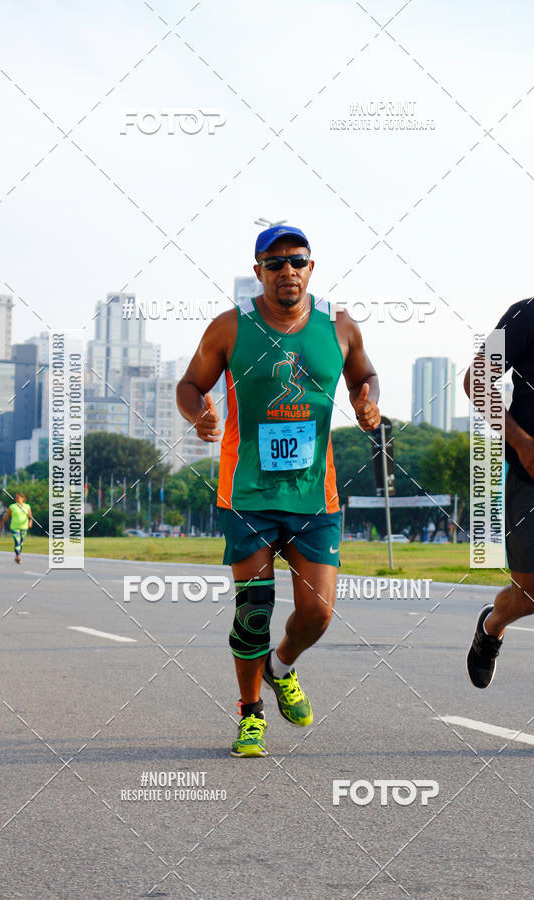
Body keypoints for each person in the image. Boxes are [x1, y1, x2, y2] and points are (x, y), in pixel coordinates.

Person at [176, 225, 380, 757]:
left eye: (297, 261)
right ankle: (250, 714)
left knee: (318, 613)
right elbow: (189, 384)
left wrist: (366, 402)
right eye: (275, 263)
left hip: (316, 495)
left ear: (311, 267)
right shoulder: (230, 328)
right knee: (254, 610)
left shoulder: (339, 326)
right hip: (248, 492)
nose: (287, 271)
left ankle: (280, 666)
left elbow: (366, 376)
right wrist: (200, 411)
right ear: (258, 270)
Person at [465, 226, 534, 755]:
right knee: (533, 595)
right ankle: (492, 624)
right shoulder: (533, 314)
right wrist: (523, 440)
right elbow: (476, 380)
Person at [0, 492, 33, 564]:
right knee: (17, 541)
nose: (17, 499)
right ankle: (18, 556)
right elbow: (6, 516)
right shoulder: (12, 506)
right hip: (14, 527)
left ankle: (17, 556)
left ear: (23, 498)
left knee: (21, 543)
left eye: (18, 498)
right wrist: (0, 525)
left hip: (24, 527)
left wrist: (30, 522)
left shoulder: (27, 506)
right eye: (16, 498)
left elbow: (30, 517)